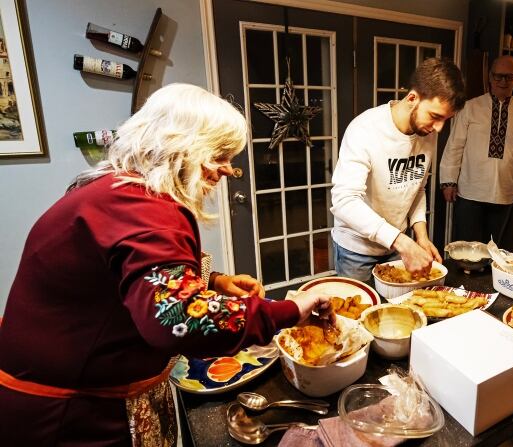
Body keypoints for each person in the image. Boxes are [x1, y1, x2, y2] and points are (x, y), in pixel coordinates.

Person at [0, 84, 332, 446]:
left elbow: (134, 277)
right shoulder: (146, 210)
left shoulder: (117, 189)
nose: (226, 170)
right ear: (183, 146)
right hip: (70, 413)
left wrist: (215, 281)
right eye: (220, 154)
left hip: (78, 386)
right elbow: (179, 318)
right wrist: (290, 309)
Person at [330, 57, 466, 281]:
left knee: (399, 312)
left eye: (446, 120)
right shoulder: (364, 129)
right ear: (413, 98)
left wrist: (420, 236)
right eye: (435, 116)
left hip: (395, 247)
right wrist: (403, 242)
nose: (439, 128)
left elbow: (417, 188)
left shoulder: (426, 132)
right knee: (359, 315)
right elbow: (344, 200)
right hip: (356, 250)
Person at [439, 55, 513, 249]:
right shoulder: (470, 107)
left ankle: (492, 281)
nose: (503, 81)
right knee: (465, 249)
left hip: (505, 193)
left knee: (496, 250)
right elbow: (454, 146)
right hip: (469, 191)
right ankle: (463, 281)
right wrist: (448, 181)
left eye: (509, 77)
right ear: (490, 77)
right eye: (498, 76)